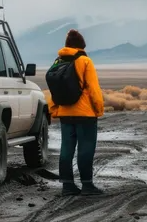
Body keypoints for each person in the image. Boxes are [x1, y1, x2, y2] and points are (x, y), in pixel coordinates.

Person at [47, 29, 105, 196]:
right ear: (82, 45)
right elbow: (93, 89)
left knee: (66, 149)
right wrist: (98, 109)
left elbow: (54, 89)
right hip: (85, 114)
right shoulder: (85, 61)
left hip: (65, 113)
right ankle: (87, 185)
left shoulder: (58, 62)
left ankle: (67, 185)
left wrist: (55, 109)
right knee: (85, 149)